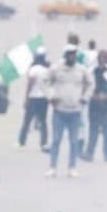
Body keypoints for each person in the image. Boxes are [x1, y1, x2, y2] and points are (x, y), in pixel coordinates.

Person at [45, 42, 92, 178]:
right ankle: (52, 167)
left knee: (73, 141)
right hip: (59, 110)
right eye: (70, 54)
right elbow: (45, 81)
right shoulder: (56, 69)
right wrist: (51, 96)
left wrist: (85, 97)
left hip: (75, 110)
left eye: (74, 54)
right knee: (56, 140)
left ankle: (72, 167)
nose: (72, 57)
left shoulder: (81, 70)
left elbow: (90, 83)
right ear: (65, 55)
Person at [83, 50, 107, 163]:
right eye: (101, 57)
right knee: (93, 130)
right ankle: (90, 153)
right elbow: (86, 86)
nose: (102, 59)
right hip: (94, 103)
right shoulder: (91, 71)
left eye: (104, 57)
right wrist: (93, 96)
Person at [18, 47, 51, 150]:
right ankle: (43, 142)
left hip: (33, 98)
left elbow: (30, 84)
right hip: (43, 99)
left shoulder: (33, 69)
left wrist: (26, 98)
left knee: (27, 121)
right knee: (43, 122)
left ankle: (21, 141)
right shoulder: (47, 70)